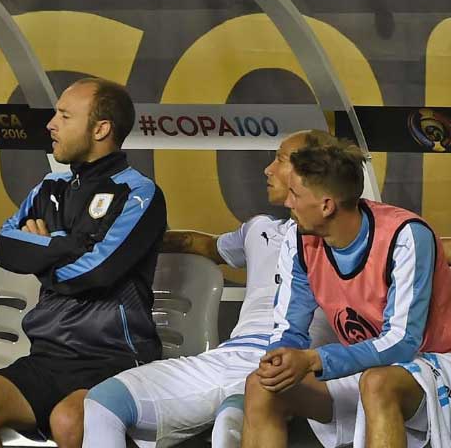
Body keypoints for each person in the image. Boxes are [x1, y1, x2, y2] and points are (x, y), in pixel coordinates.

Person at [80, 130, 338, 448]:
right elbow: (199, 244)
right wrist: (123, 238)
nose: (267, 169)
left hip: (290, 367)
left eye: (280, 159)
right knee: (103, 403)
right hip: (226, 356)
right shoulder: (260, 229)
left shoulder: (349, 242)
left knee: (232, 422)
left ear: (315, 172)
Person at [0, 78, 168, 448]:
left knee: (70, 421)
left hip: (116, 357)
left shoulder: (139, 193)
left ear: (101, 129)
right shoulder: (48, 188)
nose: (51, 124)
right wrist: (71, 244)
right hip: (49, 354)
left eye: (65, 116)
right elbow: (6, 248)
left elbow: (98, 272)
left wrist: (42, 250)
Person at [242, 140, 451, 448]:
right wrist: (282, 358)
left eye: (296, 195)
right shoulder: (298, 239)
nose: (288, 203)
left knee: (379, 383)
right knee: (262, 386)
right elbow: (289, 326)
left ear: (326, 205)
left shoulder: (405, 235)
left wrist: (314, 359)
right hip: (363, 364)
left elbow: (404, 342)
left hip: (434, 362)